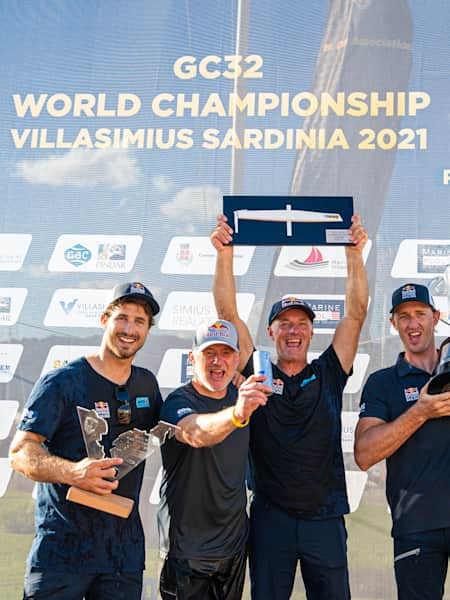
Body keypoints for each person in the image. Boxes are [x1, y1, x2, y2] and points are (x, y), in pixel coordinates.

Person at [210, 214, 369, 599]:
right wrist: (224, 253)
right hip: (270, 519)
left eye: (301, 323)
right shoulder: (258, 371)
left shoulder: (329, 371)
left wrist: (353, 254)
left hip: (325, 520)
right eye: (284, 323)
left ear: (312, 331)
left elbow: (356, 313)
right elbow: (228, 315)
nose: (293, 330)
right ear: (271, 332)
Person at [9, 282, 163, 600]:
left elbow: (181, 427)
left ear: (148, 330)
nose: (129, 329)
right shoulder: (62, 382)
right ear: (104, 320)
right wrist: (73, 473)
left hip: (122, 559)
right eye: (122, 317)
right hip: (61, 554)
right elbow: (20, 452)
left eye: (140, 321)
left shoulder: (147, 384)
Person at [158, 319, 270, 600]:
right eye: (209, 353)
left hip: (232, 549)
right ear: (193, 358)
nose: (218, 362)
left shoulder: (241, 395)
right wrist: (237, 414)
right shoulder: (176, 402)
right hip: (187, 553)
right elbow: (195, 432)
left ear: (236, 359)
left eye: (226, 353)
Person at [354, 283, 450, 600]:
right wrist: (420, 412)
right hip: (417, 526)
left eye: (420, 314)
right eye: (404, 316)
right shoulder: (383, 382)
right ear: (393, 324)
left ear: (436, 317)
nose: (413, 324)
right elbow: (364, 454)